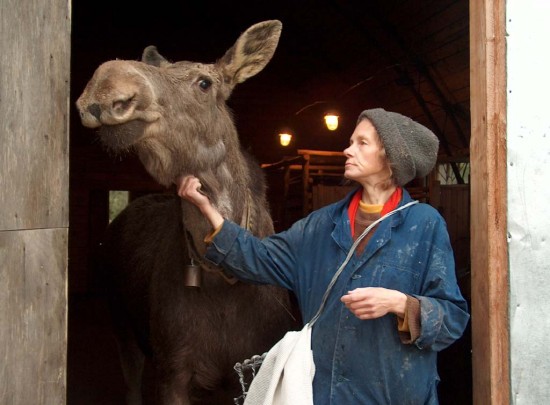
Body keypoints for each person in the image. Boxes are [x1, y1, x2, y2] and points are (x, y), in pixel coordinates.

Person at [177, 108, 470, 405]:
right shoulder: (320, 225)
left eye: (362, 143)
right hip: (326, 394)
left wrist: (399, 303)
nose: (347, 150)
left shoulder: (424, 225)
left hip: (395, 394)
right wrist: (207, 210)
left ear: (391, 159)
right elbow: (260, 257)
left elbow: (453, 318)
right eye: (351, 142)